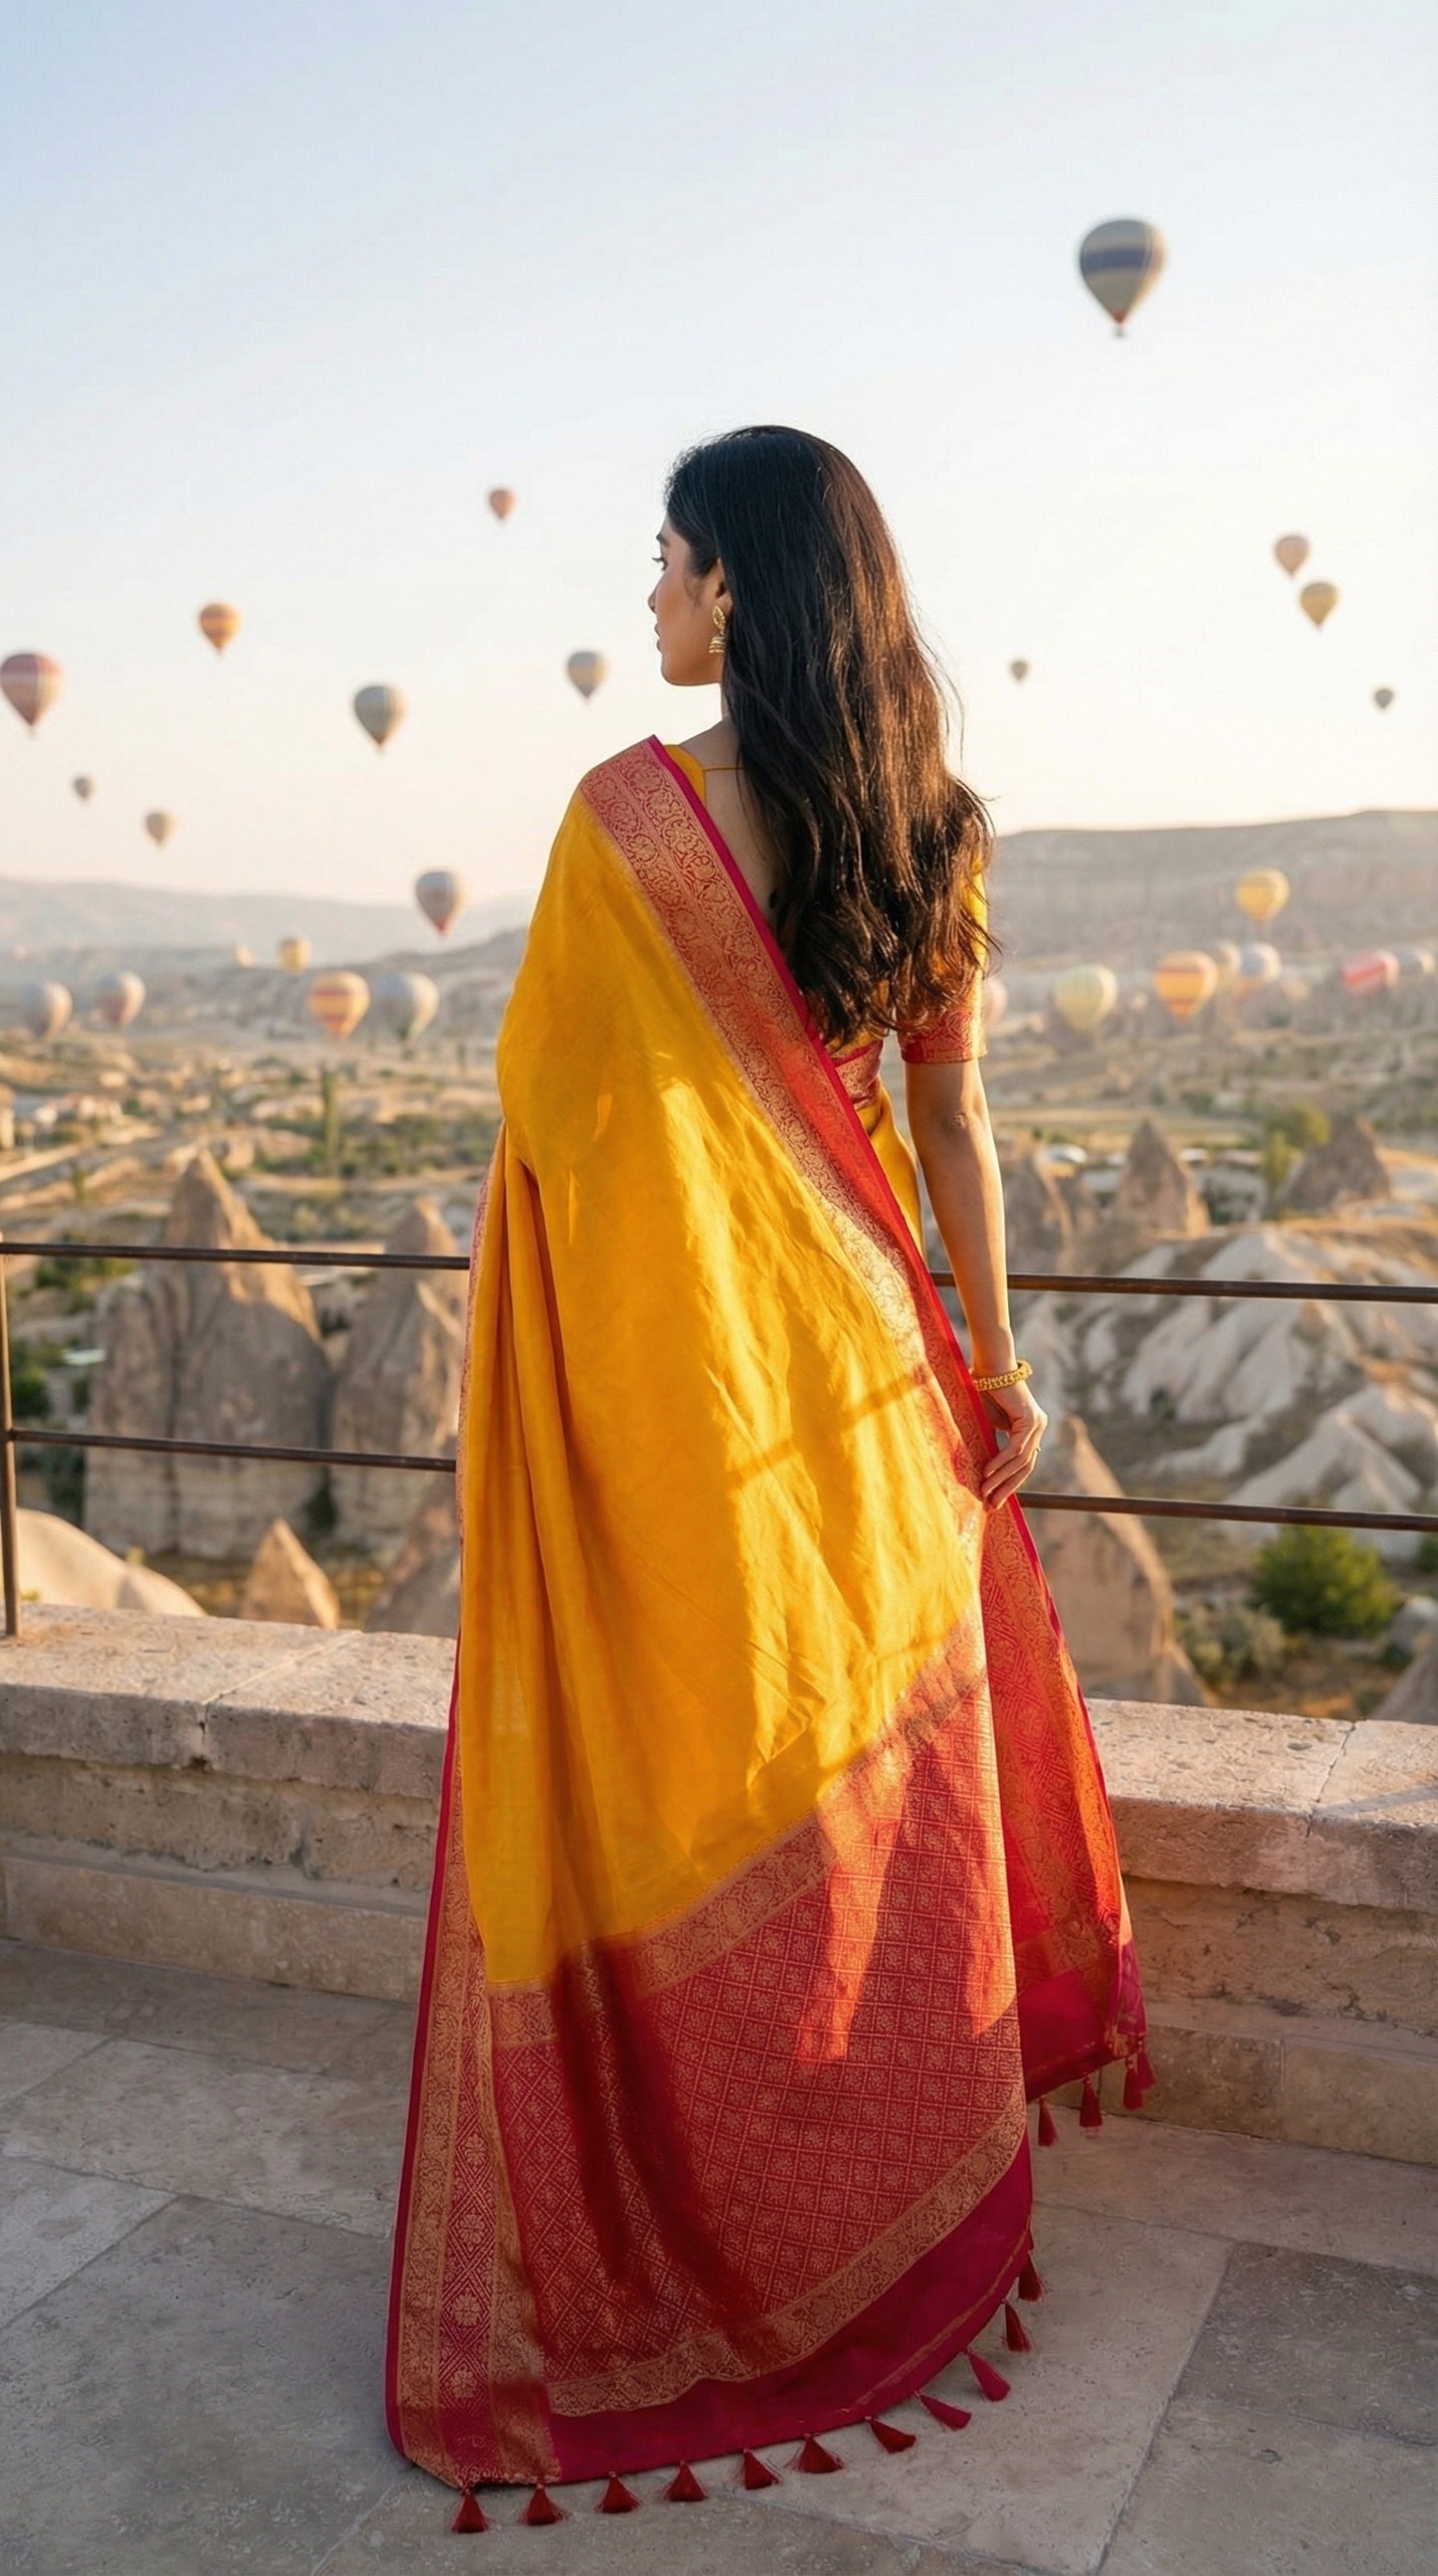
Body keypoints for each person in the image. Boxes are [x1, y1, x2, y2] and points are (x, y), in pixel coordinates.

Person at [386, 426, 1146, 2517]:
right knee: (862, 1815)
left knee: (690, 1801)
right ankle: (905, 2217)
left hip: (704, 1419)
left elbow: (562, 1131)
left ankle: (712, 2242)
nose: (646, 600)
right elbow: (959, 1127)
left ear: (733, 592)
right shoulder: (937, 822)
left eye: (665, 562)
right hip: (876, 1406)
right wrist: (995, 1368)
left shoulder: (623, 822)